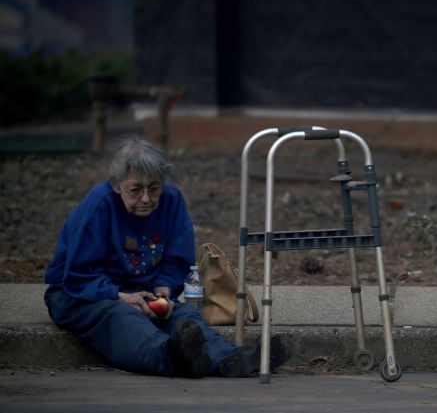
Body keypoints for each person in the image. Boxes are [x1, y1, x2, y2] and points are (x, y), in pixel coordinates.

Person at [44, 137, 287, 378]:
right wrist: (122, 296)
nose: (146, 198)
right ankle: (170, 358)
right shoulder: (100, 203)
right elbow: (77, 275)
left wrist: (164, 290)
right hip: (79, 293)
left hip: (142, 290)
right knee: (120, 316)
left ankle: (228, 358)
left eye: (154, 187)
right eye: (135, 190)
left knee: (182, 316)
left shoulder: (172, 199)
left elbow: (175, 259)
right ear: (116, 185)